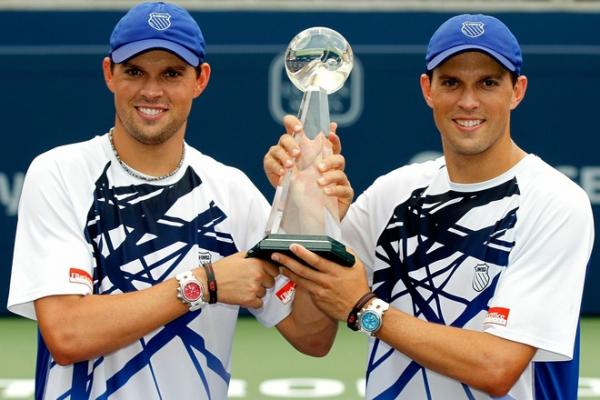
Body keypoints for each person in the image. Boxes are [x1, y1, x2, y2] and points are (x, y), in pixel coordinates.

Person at [6, 2, 348, 399]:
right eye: (135, 71)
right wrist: (205, 284)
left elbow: (312, 337)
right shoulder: (60, 172)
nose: (152, 90)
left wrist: (312, 219)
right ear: (109, 74)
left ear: (200, 79)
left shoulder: (231, 190)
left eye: (171, 73)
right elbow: (67, 334)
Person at [264, 14, 594, 399]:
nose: (468, 101)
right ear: (428, 89)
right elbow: (312, 336)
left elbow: (497, 367)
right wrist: (312, 212)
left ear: (517, 91)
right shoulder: (390, 194)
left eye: (487, 83)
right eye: (451, 82)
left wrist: (364, 307)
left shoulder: (555, 202)